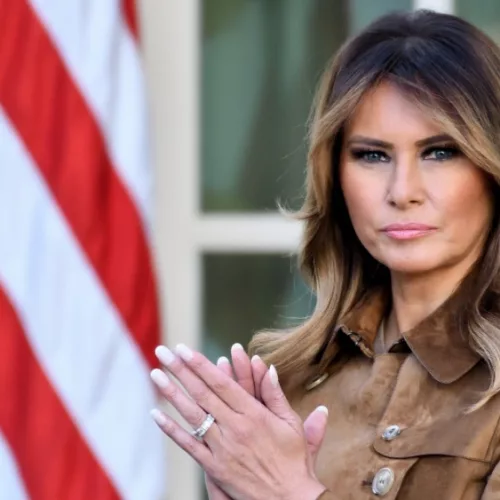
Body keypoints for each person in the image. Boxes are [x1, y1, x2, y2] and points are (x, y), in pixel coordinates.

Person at [150, 9, 500, 499]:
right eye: (372, 155)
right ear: (334, 177)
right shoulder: (291, 380)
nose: (403, 191)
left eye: (440, 151)